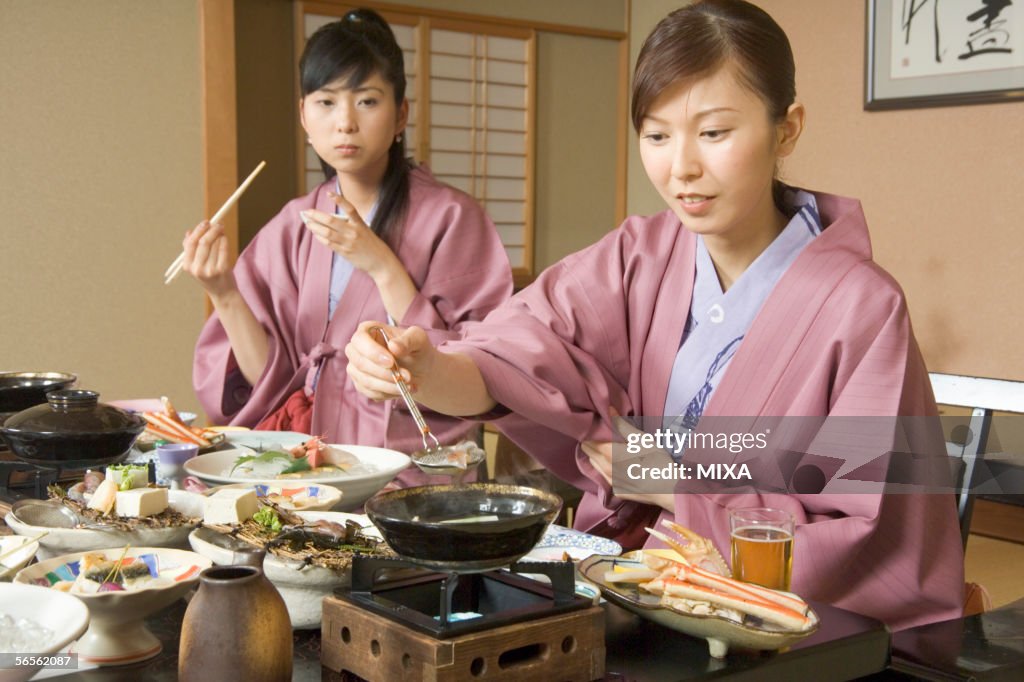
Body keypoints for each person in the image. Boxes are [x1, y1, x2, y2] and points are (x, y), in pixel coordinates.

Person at [345, 0, 964, 629]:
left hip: (784, 624)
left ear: (787, 128)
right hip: (636, 591)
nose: (681, 167)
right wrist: (425, 369)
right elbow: (515, 356)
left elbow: (860, 530)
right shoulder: (636, 256)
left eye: (714, 133)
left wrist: (674, 489)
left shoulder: (862, 306)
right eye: (657, 135)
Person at [185, 8, 512, 469]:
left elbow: (478, 369)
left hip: (405, 462)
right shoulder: (292, 225)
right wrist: (223, 292)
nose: (345, 122)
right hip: (312, 461)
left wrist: (381, 264)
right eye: (326, 102)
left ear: (401, 114)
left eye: (367, 101)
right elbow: (268, 387)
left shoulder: (453, 218)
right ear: (303, 113)